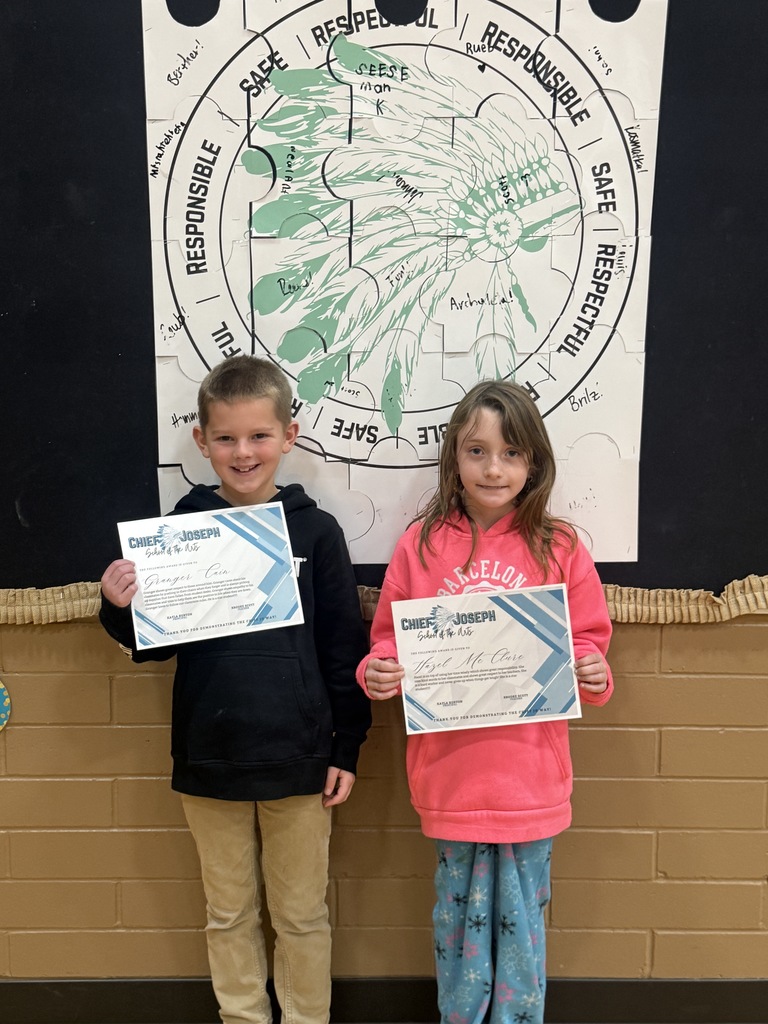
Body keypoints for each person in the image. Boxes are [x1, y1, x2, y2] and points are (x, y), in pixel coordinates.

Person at [100, 356, 371, 1024]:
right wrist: (118, 606)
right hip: (210, 755)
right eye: (226, 438)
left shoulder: (316, 531)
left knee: (303, 915)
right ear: (201, 440)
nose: (242, 452)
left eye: (257, 436)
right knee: (228, 914)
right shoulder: (176, 534)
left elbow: (343, 648)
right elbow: (156, 642)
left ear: (290, 436)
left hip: (301, 759)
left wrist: (347, 745)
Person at [357, 380, 612, 1024]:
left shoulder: (561, 548)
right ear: (454, 457)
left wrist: (592, 669)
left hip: (530, 780)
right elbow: (387, 642)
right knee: (458, 931)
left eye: (511, 452)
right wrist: (377, 672)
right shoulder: (421, 545)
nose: (493, 468)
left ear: (534, 462)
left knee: (522, 931)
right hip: (452, 777)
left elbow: (590, 647)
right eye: (476, 451)